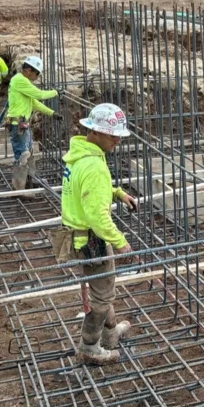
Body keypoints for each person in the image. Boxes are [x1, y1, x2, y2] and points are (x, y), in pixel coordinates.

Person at [58, 103, 139, 365]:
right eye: (112, 135)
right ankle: (90, 346)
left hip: (80, 233)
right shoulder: (93, 165)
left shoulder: (83, 153)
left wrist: (117, 192)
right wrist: (121, 242)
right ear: (95, 132)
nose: (117, 140)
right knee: (102, 296)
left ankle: (110, 332)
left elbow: (90, 188)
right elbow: (97, 216)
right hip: (90, 239)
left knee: (104, 286)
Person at [5, 55, 58, 190]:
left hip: (23, 125)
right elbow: (39, 95)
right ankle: (19, 188)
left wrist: (51, 113)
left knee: (28, 154)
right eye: (37, 73)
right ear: (28, 70)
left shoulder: (23, 82)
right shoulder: (20, 80)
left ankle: (30, 180)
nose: (37, 77)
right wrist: (55, 92)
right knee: (22, 156)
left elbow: (34, 103)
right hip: (18, 126)